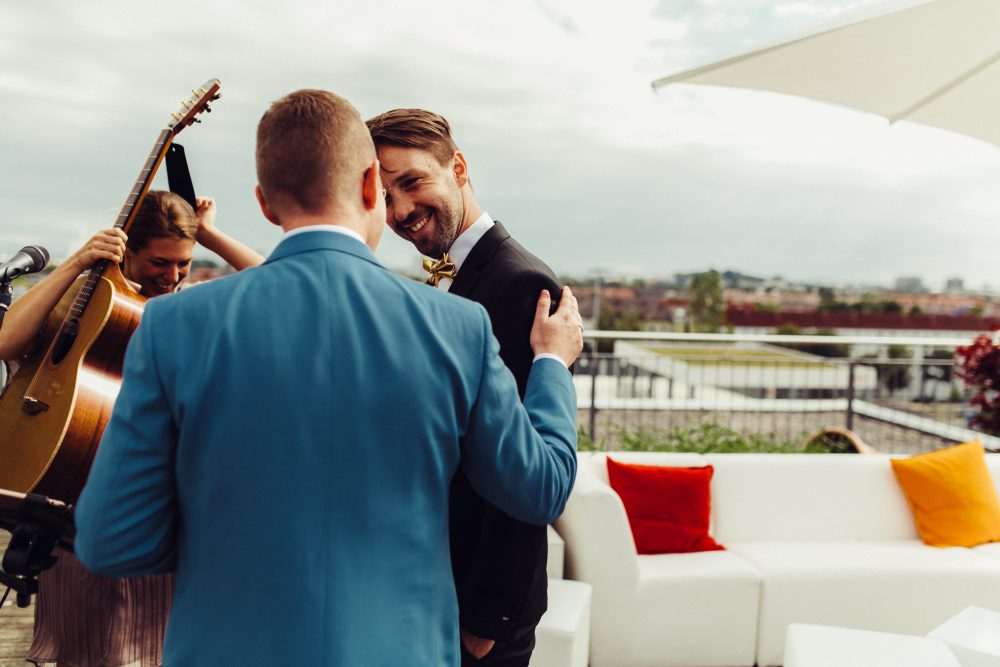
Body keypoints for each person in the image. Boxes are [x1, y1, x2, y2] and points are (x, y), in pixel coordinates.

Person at [72, 89, 582, 667]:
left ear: (265, 205)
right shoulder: (457, 326)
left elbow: (111, 539)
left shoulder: (170, 324)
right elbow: (541, 487)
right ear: (370, 186)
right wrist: (551, 367)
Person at [0, 190, 263, 667]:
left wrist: (209, 235)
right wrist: (78, 260)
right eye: (160, 262)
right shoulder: (84, 309)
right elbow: (5, 341)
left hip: (159, 517)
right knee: (84, 651)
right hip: (77, 518)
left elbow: (275, 281)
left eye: (183, 263)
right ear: (127, 252)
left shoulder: (192, 308)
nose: (173, 275)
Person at [366, 108, 562, 666]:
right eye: (385, 195)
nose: (401, 211)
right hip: (436, 582)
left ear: (458, 166)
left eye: (412, 181)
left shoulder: (518, 282)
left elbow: (523, 468)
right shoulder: (458, 272)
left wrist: (485, 618)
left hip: (479, 611)